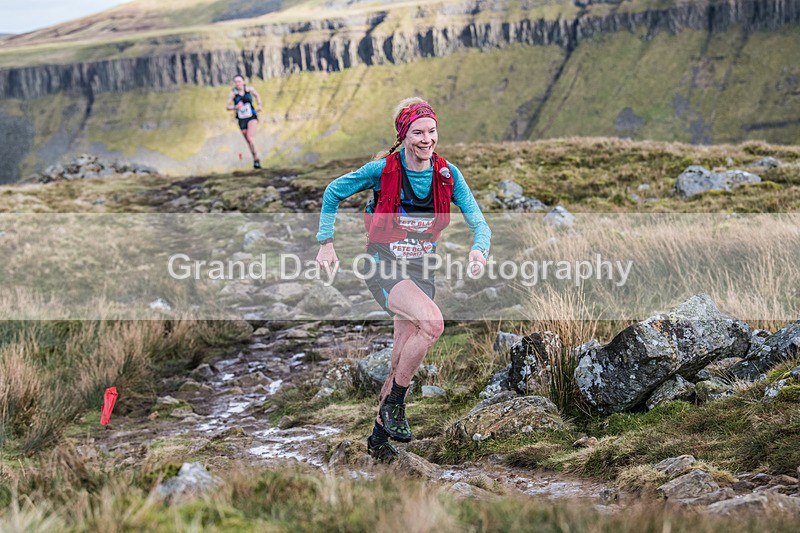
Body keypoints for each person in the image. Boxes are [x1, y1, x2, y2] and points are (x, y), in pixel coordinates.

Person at [315, 97, 491, 463]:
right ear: (404, 134)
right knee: (433, 323)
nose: (426, 139)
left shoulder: (448, 174)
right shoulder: (381, 171)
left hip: (422, 271)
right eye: (417, 132)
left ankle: (378, 441)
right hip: (383, 266)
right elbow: (332, 191)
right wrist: (326, 244)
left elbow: (478, 221)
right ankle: (396, 404)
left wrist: (479, 249)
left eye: (431, 131)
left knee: (399, 359)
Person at [225, 74, 263, 169]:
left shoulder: (249, 89)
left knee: (249, 137)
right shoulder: (233, 93)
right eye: (236, 82)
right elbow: (227, 106)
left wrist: (259, 105)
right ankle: (255, 158)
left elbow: (257, 95)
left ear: (243, 81)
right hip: (241, 119)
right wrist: (235, 107)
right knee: (248, 141)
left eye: (239, 81)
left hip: (251, 116)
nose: (238, 83)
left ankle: (256, 158)